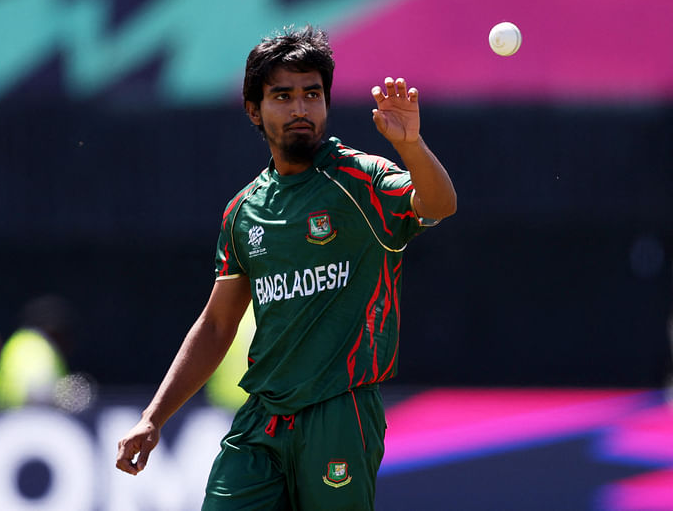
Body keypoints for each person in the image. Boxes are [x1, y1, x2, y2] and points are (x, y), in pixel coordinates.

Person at [115, 25, 457, 510]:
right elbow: (216, 325)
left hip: (339, 410)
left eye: (312, 94)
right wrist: (153, 417)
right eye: (283, 96)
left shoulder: (361, 179)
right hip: (262, 420)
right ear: (255, 109)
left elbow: (439, 205)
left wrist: (412, 146)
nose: (300, 109)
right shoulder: (243, 211)